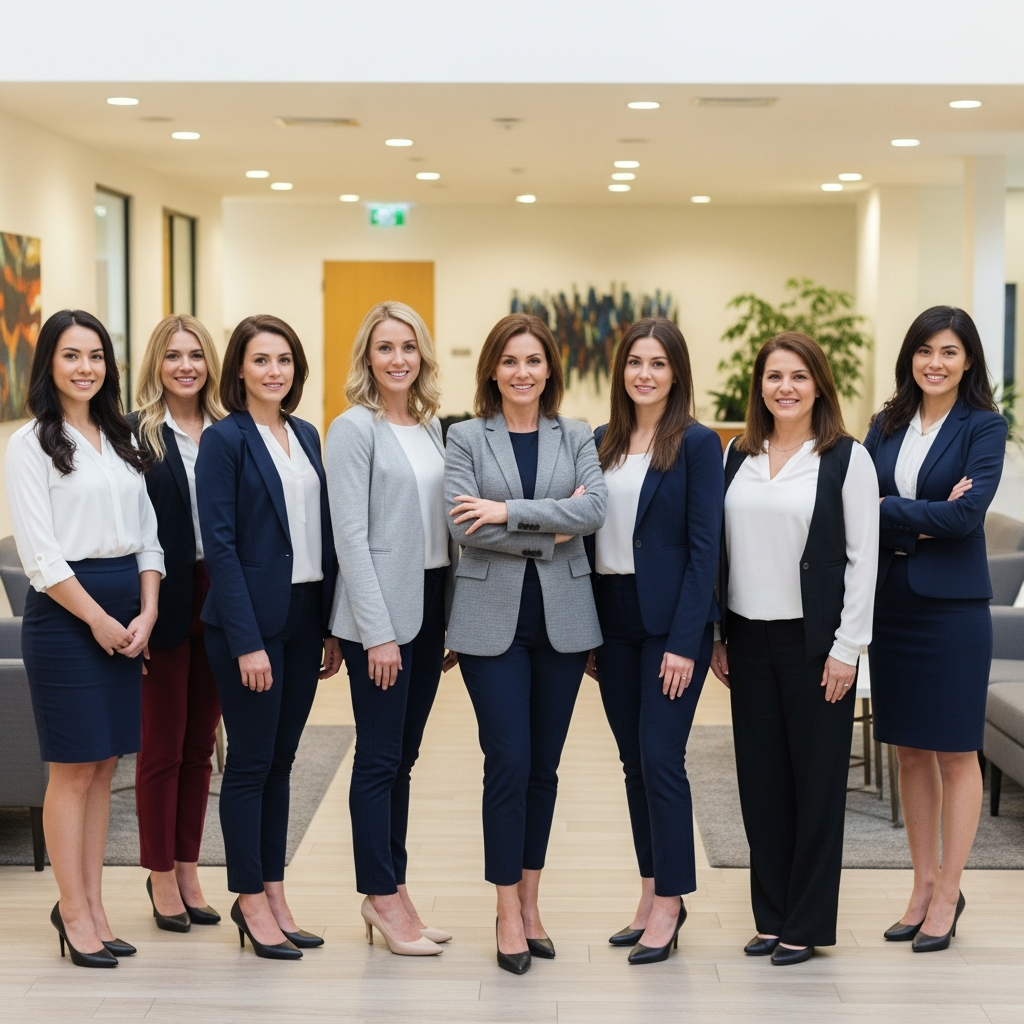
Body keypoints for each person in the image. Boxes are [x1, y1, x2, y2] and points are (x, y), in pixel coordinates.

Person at [444, 312, 607, 975]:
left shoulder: (576, 433)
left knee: (544, 766)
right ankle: (505, 907)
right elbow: (462, 526)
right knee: (507, 760)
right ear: (491, 369)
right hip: (490, 625)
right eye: (509, 361)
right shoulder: (464, 436)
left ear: (549, 371)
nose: (522, 372)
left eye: (533, 361)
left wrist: (506, 512)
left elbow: (593, 510)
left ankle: (531, 903)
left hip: (563, 624)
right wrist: (551, 527)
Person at [709, 332, 878, 966]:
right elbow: (721, 554)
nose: (785, 387)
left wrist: (847, 648)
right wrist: (720, 634)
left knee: (816, 785)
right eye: (774, 376)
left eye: (799, 377)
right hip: (748, 639)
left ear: (818, 386)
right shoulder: (738, 455)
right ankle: (772, 914)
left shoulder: (845, 459)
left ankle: (805, 921)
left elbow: (863, 562)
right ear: (760, 386)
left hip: (817, 645)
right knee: (761, 783)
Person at [5, 309, 164, 967]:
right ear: (49, 363)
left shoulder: (123, 435)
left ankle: (94, 905)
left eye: (96, 355)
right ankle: (73, 913)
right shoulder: (30, 442)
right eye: (71, 355)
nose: (86, 367)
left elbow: (148, 535)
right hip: (68, 618)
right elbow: (42, 557)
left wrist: (148, 611)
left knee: (105, 765)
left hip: (129, 609)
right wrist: (97, 619)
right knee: (72, 769)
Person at [195, 314, 342, 960]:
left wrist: (333, 626)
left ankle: (276, 893)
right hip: (248, 627)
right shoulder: (225, 441)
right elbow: (220, 549)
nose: (274, 371)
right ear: (239, 370)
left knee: (283, 764)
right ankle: (249, 898)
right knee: (251, 766)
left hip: (306, 617)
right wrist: (247, 641)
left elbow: (321, 535)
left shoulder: (307, 434)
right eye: (261, 360)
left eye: (284, 359)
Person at [865, 306, 1006, 952]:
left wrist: (891, 510)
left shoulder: (984, 426)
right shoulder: (886, 423)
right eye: (925, 350)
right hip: (892, 602)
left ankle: (950, 889)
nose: (935, 363)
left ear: (968, 359)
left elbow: (967, 517)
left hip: (951, 611)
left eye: (948, 351)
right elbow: (855, 508)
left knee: (954, 750)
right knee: (910, 750)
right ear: (910, 357)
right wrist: (921, 515)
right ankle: (920, 884)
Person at [586, 318, 723, 964]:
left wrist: (688, 639)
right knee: (634, 763)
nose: (645, 373)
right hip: (612, 619)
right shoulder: (602, 441)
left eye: (659, 363)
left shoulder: (697, 444)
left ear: (677, 373)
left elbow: (705, 551)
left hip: (671, 625)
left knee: (663, 757)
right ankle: (649, 894)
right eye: (635, 362)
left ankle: (671, 901)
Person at [325, 302, 457, 956]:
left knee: (403, 758)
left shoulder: (430, 427)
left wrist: (451, 619)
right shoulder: (353, 429)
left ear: (422, 356)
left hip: (429, 603)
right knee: (378, 758)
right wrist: (377, 633)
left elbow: (439, 531)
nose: (398, 358)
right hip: (380, 615)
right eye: (385, 347)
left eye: (408, 346)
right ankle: (380, 897)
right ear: (367, 358)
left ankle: (395, 891)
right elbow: (349, 535)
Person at [129, 314, 225, 933]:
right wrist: (136, 611)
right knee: (160, 747)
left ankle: (189, 866)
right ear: (155, 366)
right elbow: (129, 532)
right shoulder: (136, 436)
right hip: (161, 595)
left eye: (195, 354)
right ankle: (159, 873)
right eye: (172, 356)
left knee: (200, 751)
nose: (185, 365)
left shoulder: (228, 430)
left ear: (211, 362)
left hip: (219, 597)